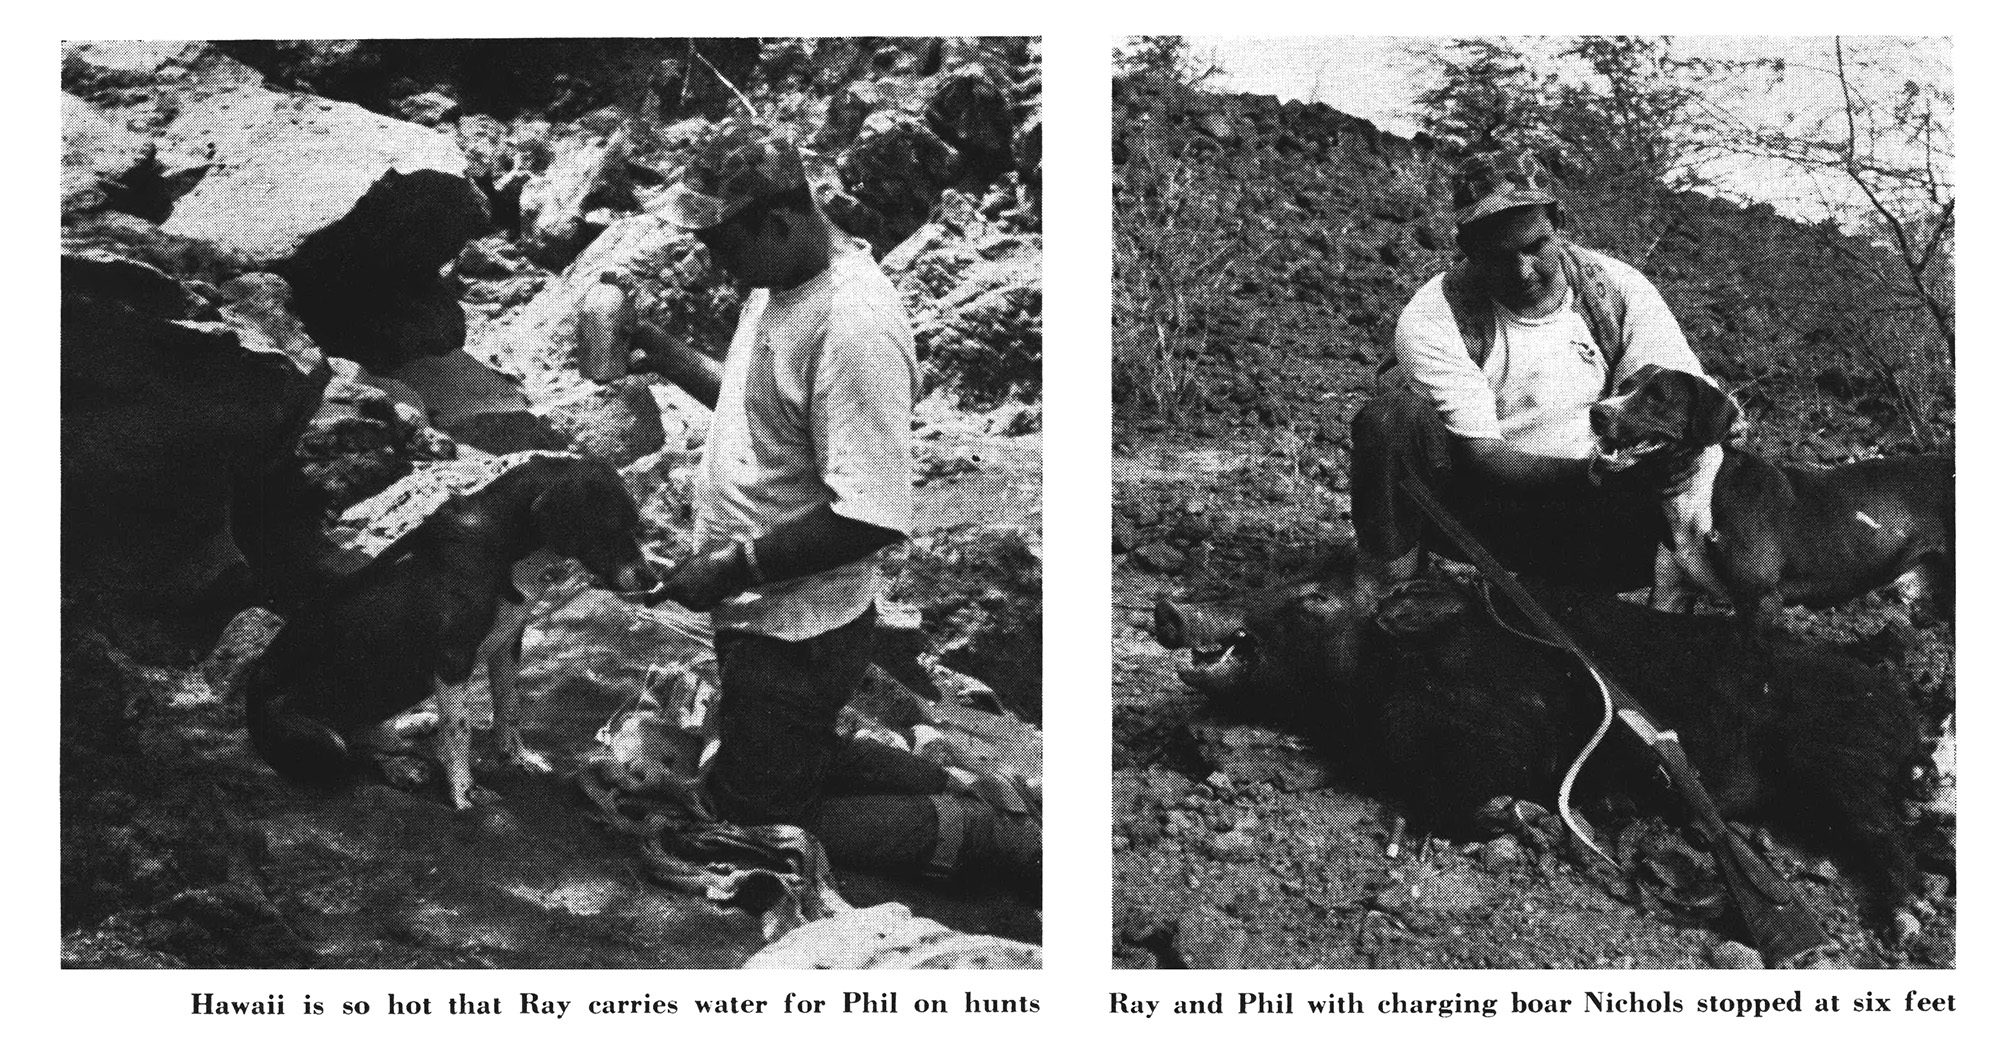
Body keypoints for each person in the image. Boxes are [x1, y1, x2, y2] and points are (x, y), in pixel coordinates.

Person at [630, 119, 1038, 889]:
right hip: (769, 615)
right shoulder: (781, 280)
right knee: (791, 746)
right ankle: (956, 786)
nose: (716, 264)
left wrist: (732, 565)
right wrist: (669, 355)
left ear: (780, 221)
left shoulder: (854, 326)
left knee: (748, 820)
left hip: (799, 625)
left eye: (724, 243)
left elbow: (871, 513)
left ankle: (977, 832)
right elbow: (766, 414)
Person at [1350, 149, 1711, 595]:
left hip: (1597, 508)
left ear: (1557, 226)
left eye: (1535, 247)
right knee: (1391, 419)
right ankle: (1388, 588)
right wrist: (1595, 475)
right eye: (1498, 255)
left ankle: (1572, 593)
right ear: (1467, 250)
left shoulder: (1614, 288)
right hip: (1484, 506)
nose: (1522, 271)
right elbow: (1483, 457)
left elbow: (1672, 390)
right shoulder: (1433, 318)